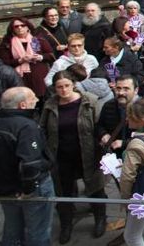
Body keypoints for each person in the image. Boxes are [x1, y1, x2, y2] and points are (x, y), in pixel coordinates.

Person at [0, 87, 53, 246]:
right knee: (38, 231)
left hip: (2, 187)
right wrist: (29, 189)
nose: (36, 100)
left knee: (12, 229)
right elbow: (30, 164)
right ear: (23, 105)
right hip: (31, 189)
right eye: (33, 98)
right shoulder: (26, 126)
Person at [40, 72, 106, 243]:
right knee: (64, 191)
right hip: (61, 155)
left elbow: (99, 124)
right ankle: (66, 224)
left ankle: (100, 219)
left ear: (74, 84)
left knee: (95, 187)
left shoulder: (89, 101)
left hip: (87, 152)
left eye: (67, 85)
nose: (63, 90)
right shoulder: (50, 105)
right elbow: (43, 129)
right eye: (59, 87)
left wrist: (103, 138)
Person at [119, 99, 144, 246]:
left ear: (141, 120)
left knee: (131, 236)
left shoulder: (137, 144)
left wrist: (125, 200)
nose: (127, 119)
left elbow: (127, 176)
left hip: (142, 195)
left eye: (130, 116)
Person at [0, 17, 54, 98]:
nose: (20, 28)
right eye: (16, 26)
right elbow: (4, 62)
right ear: (12, 29)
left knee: (42, 100)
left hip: (39, 78)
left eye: (22, 25)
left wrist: (40, 57)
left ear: (28, 26)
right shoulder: (7, 43)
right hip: (20, 79)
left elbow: (51, 55)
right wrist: (20, 60)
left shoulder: (37, 39)